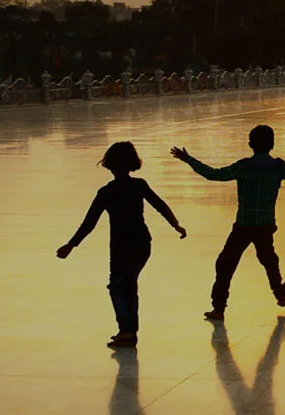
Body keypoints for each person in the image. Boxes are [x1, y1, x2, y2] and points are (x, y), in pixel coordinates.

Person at [172, 125, 285, 321]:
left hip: (243, 226)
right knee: (268, 259)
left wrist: (188, 159)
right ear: (272, 144)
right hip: (264, 226)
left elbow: (213, 174)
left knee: (226, 264)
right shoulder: (278, 168)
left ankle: (219, 308)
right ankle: (279, 291)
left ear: (250, 144)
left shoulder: (243, 167)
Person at [56, 142, 187, 348]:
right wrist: (176, 225)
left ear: (109, 165)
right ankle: (129, 331)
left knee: (118, 287)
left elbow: (89, 223)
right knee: (129, 285)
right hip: (142, 242)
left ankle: (126, 330)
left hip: (121, 245)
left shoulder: (106, 192)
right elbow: (161, 205)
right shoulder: (139, 185)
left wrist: (71, 245)